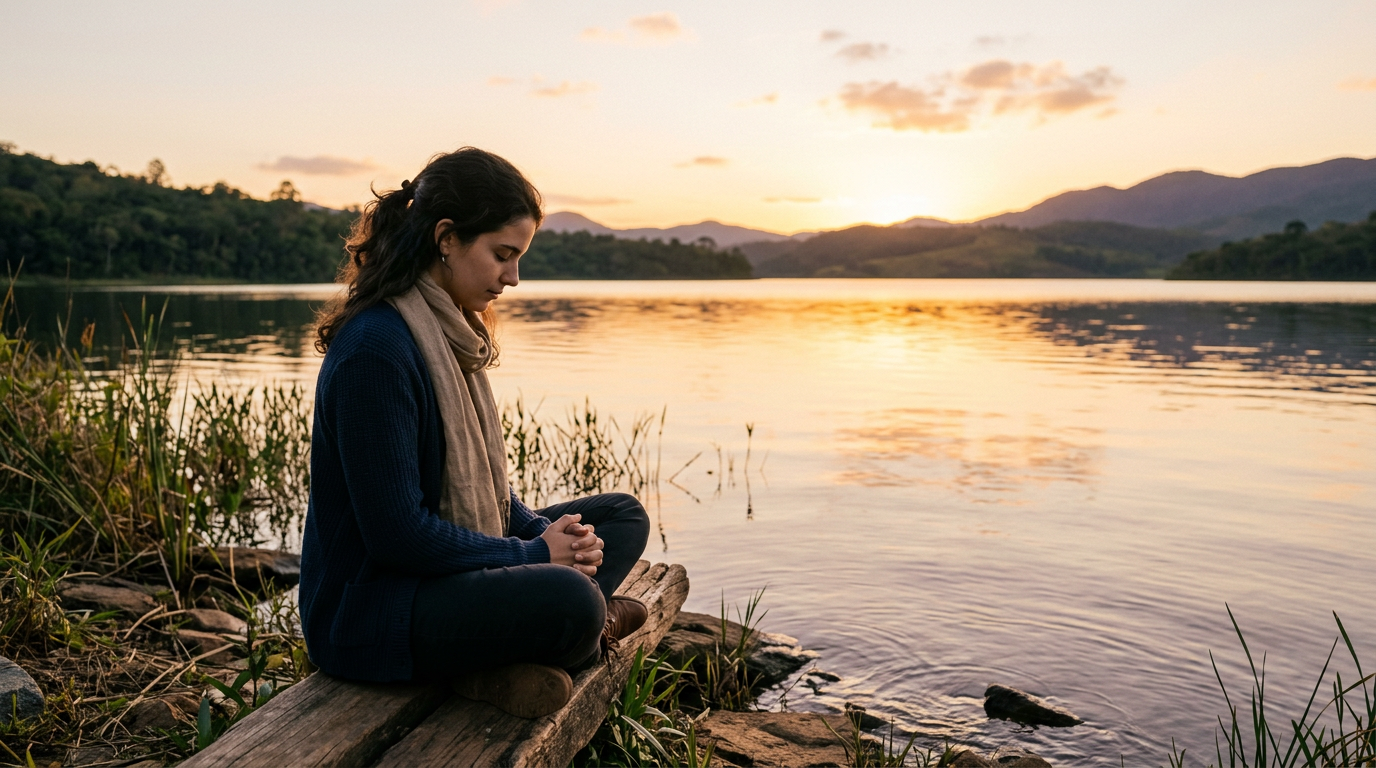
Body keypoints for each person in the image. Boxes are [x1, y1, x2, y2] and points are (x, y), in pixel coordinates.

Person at [299, 147, 650, 719]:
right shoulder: (376, 350)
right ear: (447, 237)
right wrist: (538, 553)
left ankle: (521, 653)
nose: (513, 277)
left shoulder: (449, 333)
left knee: (621, 516)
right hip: (373, 611)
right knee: (571, 599)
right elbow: (398, 537)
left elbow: (485, 491)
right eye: (503, 255)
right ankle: (589, 626)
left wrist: (546, 534)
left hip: (432, 586)